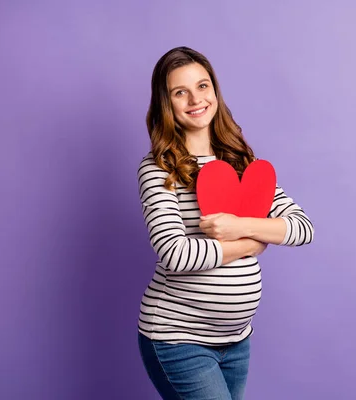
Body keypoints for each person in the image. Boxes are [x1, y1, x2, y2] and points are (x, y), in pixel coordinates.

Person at [137, 46, 314, 400]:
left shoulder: (243, 162)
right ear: (165, 103)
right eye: (180, 92)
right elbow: (175, 254)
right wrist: (253, 242)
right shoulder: (159, 168)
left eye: (203, 86)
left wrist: (239, 228)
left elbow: (301, 227)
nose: (195, 99)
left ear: (215, 91)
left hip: (237, 340)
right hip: (178, 337)